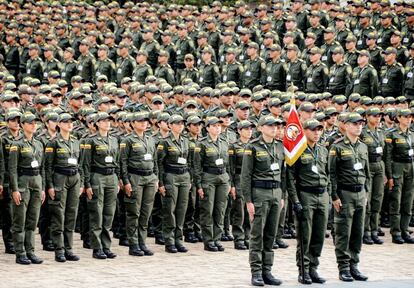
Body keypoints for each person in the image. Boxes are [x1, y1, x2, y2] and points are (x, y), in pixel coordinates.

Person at [241, 115, 285, 287]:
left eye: (276, 126)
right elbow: (245, 176)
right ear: (260, 128)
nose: (274, 128)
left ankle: (267, 270)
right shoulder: (252, 147)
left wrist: (282, 196)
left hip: (276, 192)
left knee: (271, 234)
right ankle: (256, 272)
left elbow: (283, 174)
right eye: (270, 125)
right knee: (257, 234)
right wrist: (248, 201)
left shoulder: (280, 146)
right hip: (259, 193)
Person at [329, 112, 370, 282]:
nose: (359, 126)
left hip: (360, 194)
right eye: (355, 124)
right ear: (345, 126)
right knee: (343, 232)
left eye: (361, 123)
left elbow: (366, 172)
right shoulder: (337, 147)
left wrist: (366, 192)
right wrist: (334, 196)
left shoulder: (363, 146)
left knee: (357, 232)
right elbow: (331, 174)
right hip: (344, 194)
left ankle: (354, 264)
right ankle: (343, 267)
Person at [287, 119, 329, 285]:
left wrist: (329, 196)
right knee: (305, 235)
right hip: (306, 195)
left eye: (319, 130)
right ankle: (303, 270)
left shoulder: (323, 150)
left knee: (319, 235)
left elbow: (328, 175)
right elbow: (290, 177)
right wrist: (295, 200)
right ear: (304, 131)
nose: (317, 133)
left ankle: (313, 268)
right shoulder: (298, 150)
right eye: (313, 130)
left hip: (322, 196)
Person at [9, 112, 45, 265]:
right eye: (30, 123)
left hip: (36, 182)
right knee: (20, 220)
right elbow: (12, 169)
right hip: (23, 182)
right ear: (23, 125)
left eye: (34, 123)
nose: (33, 125)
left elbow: (42, 167)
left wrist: (42, 187)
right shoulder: (17, 144)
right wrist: (15, 189)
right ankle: (20, 252)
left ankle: (30, 251)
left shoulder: (38, 143)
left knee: (32, 220)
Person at [82, 112, 119, 259]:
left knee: (109, 214)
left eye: (109, 120)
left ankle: (106, 246)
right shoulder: (90, 140)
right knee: (97, 213)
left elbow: (118, 161)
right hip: (97, 176)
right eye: (103, 121)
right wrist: (87, 184)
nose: (107, 123)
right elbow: (84, 164)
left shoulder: (114, 140)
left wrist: (118, 180)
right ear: (97, 123)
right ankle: (97, 247)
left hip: (111, 177)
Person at [120, 112, 158, 257]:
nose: (143, 123)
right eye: (140, 121)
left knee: (145, 213)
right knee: (133, 213)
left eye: (145, 121)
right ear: (133, 123)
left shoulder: (150, 139)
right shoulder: (128, 140)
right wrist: (126, 181)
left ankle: (142, 242)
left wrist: (156, 178)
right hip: (135, 177)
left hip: (149, 178)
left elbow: (154, 161)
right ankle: (133, 244)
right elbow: (122, 162)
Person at [44, 113, 81, 262]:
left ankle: (69, 248)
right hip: (60, 178)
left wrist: (81, 183)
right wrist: (50, 186)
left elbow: (81, 164)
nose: (69, 124)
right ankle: (59, 249)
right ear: (59, 124)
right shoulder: (54, 142)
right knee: (59, 215)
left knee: (71, 215)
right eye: (66, 122)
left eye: (71, 122)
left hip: (74, 178)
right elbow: (47, 167)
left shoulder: (75, 141)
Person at [193, 116, 231, 252]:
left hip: (223, 177)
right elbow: (196, 166)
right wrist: (199, 185)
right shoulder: (202, 144)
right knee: (207, 210)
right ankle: (208, 240)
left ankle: (217, 239)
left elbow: (229, 164)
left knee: (220, 210)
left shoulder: (225, 142)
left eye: (219, 126)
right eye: (214, 126)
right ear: (207, 128)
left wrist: (230, 182)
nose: (217, 128)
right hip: (208, 177)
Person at [157, 115, 191, 253]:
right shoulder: (164, 142)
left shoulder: (185, 141)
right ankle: (169, 240)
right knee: (169, 209)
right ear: (170, 125)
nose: (180, 126)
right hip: (170, 176)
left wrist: (190, 179)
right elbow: (158, 163)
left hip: (184, 176)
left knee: (182, 209)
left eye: (182, 123)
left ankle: (178, 239)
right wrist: (161, 182)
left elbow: (190, 162)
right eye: (177, 123)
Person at [384, 109, 414, 244]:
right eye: (405, 117)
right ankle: (396, 231)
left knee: (408, 201)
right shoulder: (392, 134)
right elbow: (388, 157)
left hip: (410, 168)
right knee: (396, 200)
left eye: (410, 117)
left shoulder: (412, 134)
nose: (408, 119)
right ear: (399, 118)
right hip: (398, 168)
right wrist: (389, 176)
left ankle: (405, 230)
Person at [360, 107, 386, 245]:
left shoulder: (381, 132)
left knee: (377, 199)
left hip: (379, 165)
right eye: (374, 116)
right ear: (367, 116)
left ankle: (375, 230)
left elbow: (385, 154)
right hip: (368, 165)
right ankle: (366, 231)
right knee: (367, 201)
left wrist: (386, 173)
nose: (377, 118)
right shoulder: (363, 133)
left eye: (379, 116)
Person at [229, 120, 254, 250]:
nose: (249, 131)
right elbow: (231, 167)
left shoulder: (254, 145)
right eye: (246, 129)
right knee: (239, 210)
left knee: (249, 210)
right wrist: (232, 184)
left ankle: (247, 236)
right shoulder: (234, 146)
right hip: (238, 178)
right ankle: (238, 237)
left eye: (251, 128)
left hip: (250, 179)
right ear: (239, 131)